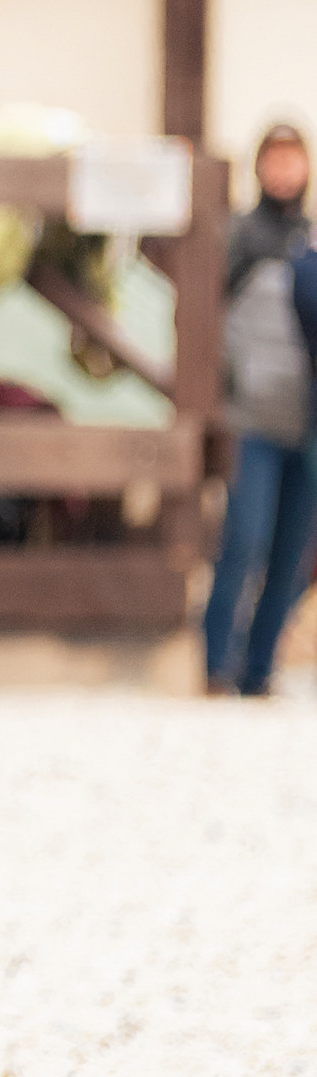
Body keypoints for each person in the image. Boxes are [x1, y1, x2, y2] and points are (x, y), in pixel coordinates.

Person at [202, 120, 317, 697]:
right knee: (243, 538)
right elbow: (207, 325)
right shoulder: (238, 237)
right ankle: (217, 664)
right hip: (252, 418)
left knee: (294, 553)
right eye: (274, 160)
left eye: (293, 160)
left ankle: (259, 667)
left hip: (305, 423)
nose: (284, 172)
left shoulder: (311, 242)